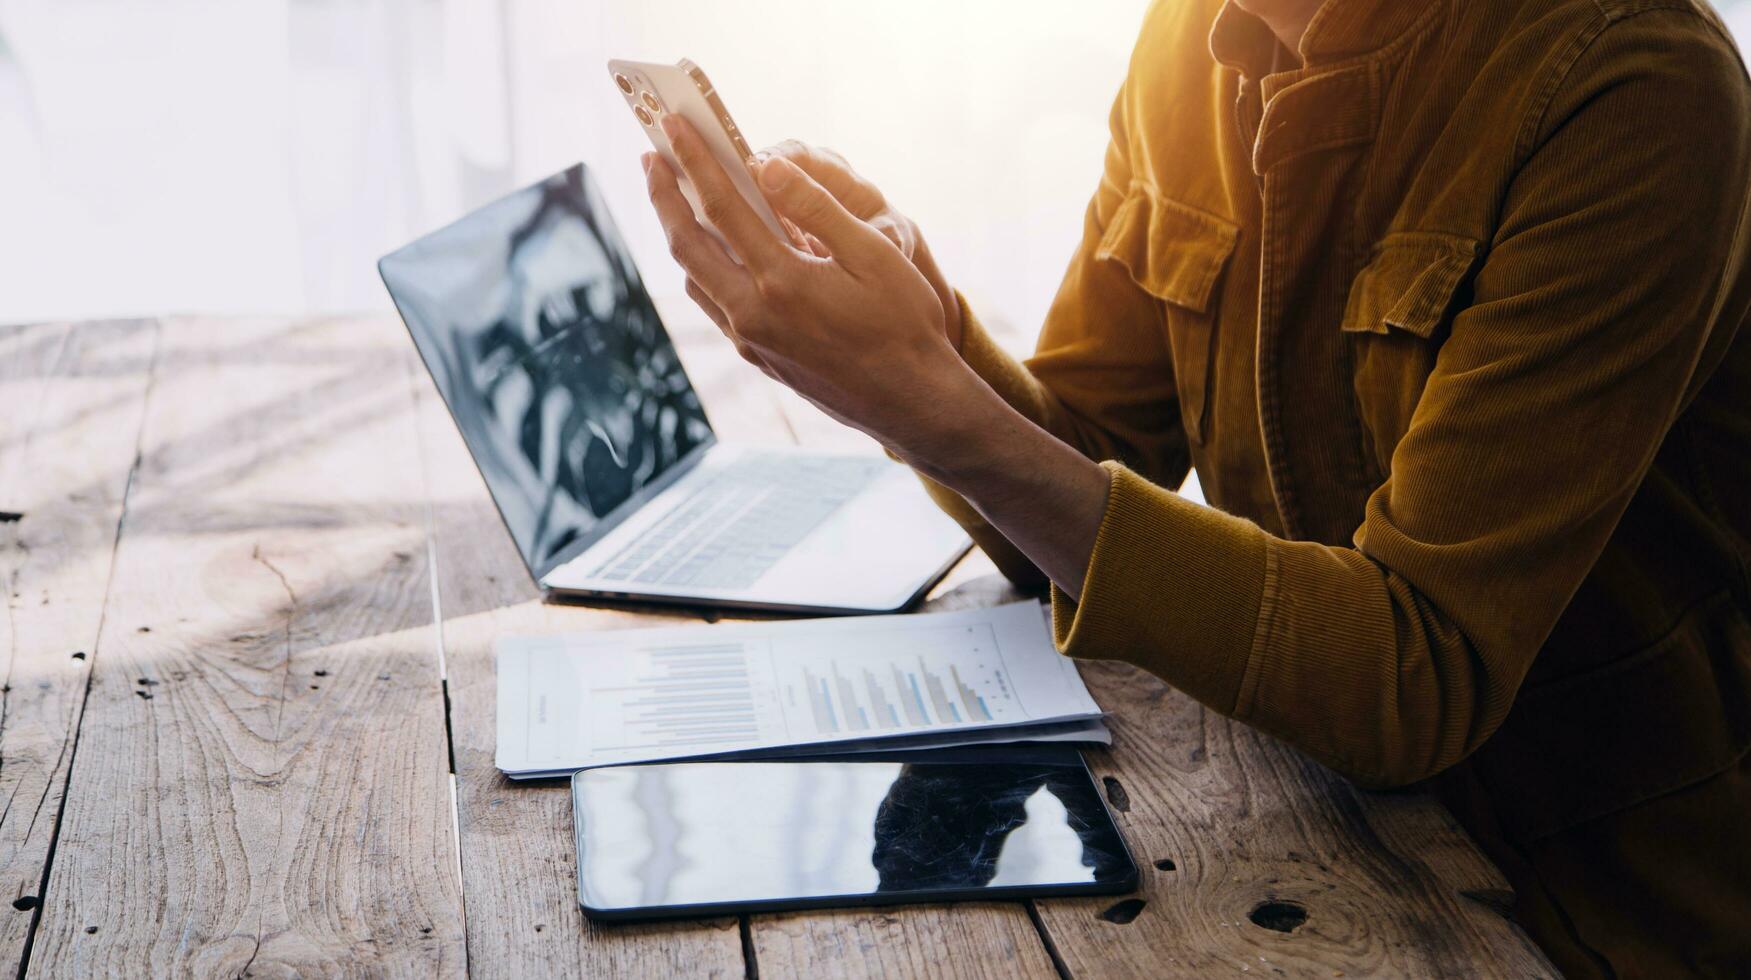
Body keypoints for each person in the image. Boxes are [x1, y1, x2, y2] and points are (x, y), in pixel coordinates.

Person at [639, 0, 1751, 972]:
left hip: (1588, 907)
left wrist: (924, 402)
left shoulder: (1631, 83)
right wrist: (922, 331)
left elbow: (1414, 672)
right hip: (1304, 824)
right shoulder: (1189, 36)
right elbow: (1069, 469)